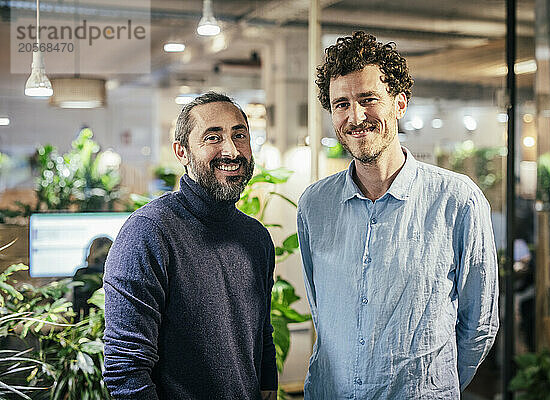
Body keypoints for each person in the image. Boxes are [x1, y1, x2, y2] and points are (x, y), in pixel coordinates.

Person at [297, 31, 499, 399]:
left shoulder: (458, 199)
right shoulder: (314, 205)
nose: (354, 116)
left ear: (400, 104)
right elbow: (321, 313)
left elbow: (480, 324)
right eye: (341, 104)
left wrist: (431, 387)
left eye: (368, 99)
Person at [103, 92, 277, 400]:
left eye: (240, 136)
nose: (231, 150)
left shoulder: (256, 238)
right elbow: (126, 369)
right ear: (181, 151)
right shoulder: (149, 232)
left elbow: (261, 341)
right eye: (213, 137)